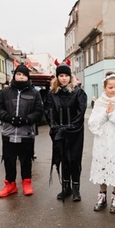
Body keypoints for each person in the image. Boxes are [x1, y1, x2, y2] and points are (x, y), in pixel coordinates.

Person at [0, 63, 44, 198]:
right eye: (18, 74)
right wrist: (9, 118)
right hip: (9, 132)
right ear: (15, 76)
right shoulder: (5, 92)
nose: (21, 77)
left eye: (24, 75)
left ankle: (26, 183)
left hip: (26, 133)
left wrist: (26, 120)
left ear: (27, 77)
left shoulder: (34, 93)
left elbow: (39, 111)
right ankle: (10, 185)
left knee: (26, 159)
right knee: (9, 160)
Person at [88, 71, 115, 213]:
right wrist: (105, 114)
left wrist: (112, 115)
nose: (113, 90)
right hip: (102, 141)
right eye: (110, 87)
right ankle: (102, 196)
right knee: (102, 166)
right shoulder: (99, 102)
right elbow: (93, 122)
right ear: (104, 88)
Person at [44, 60, 87, 202]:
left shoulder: (78, 92)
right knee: (63, 159)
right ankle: (66, 188)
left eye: (66, 75)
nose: (63, 78)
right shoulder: (52, 94)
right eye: (61, 75)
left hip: (75, 133)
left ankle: (76, 189)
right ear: (57, 77)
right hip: (59, 133)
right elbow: (49, 112)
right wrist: (56, 127)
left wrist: (70, 128)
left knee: (74, 160)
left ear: (70, 77)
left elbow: (80, 113)